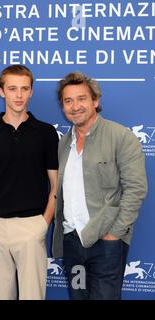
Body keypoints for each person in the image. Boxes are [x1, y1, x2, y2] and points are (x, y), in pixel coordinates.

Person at [52, 71, 147, 300]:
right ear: (63, 106)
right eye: (68, 101)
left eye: (82, 99)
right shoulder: (64, 143)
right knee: (78, 296)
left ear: (95, 101)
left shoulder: (121, 136)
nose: (75, 106)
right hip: (73, 243)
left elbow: (136, 189)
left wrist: (114, 234)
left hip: (106, 244)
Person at [0, 65, 58, 300]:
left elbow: (56, 186)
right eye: (12, 89)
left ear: (31, 92)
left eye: (24, 89)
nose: (18, 95)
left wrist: (43, 223)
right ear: (1, 91)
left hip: (32, 226)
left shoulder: (47, 133)